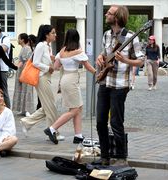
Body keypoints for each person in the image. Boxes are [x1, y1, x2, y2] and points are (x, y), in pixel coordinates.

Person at [95, 5, 144, 166]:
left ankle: (121, 158)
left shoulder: (130, 36)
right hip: (104, 81)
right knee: (101, 121)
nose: (106, 14)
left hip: (120, 84)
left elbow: (141, 60)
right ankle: (105, 156)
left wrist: (125, 61)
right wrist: (100, 58)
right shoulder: (106, 34)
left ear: (116, 17)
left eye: (109, 13)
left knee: (116, 121)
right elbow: (104, 53)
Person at [44, 29, 96, 144]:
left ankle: (78, 135)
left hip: (64, 79)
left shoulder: (62, 51)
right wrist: (97, 73)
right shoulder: (78, 51)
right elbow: (87, 66)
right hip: (72, 80)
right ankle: (52, 129)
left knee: (78, 107)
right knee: (75, 109)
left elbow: (56, 66)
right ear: (77, 38)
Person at [19, 24, 64, 141]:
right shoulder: (40, 45)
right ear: (46, 34)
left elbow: (44, 61)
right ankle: (54, 131)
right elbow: (35, 62)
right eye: (53, 33)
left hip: (47, 77)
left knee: (46, 106)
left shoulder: (48, 46)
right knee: (51, 106)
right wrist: (47, 68)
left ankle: (27, 122)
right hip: (42, 77)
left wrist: (52, 61)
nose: (55, 35)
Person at [12, 33, 34, 117]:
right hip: (22, 71)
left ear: (22, 40)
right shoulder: (23, 48)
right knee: (21, 89)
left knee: (27, 89)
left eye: (18, 38)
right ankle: (23, 109)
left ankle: (27, 109)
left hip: (26, 71)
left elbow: (24, 61)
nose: (18, 40)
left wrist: (16, 67)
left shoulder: (27, 48)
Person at [29, 34, 42, 110]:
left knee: (40, 91)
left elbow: (34, 61)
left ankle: (40, 106)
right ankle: (39, 106)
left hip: (38, 72)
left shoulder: (37, 47)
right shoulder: (37, 46)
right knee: (39, 91)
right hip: (37, 71)